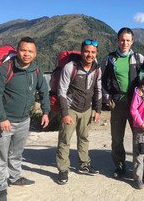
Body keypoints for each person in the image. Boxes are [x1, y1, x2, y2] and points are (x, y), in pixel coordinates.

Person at [0, 37, 50, 201]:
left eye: (30, 51)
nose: (26, 54)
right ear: (17, 50)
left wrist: (45, 112)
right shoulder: (4, 69)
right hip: (3, 121)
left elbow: (44, 91)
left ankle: (15, 178)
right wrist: (1, 118)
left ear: (35, 54)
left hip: (24, 120)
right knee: (0, 156)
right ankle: (0, 188)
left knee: (16, 153)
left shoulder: (36, 71)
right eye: (23, 50)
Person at [102, 27, 144, 178]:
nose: (125, 43)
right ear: (117, 40)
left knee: (138, 138)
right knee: (117, 138)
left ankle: (139, 168)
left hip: (136, 104)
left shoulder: (138, 57)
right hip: (117, 104)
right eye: (122, 39)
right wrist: (106, 96)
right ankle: (120, 166)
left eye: (128, 40)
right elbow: (101, 79)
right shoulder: (109, 59)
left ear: (132, 41)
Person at [56, 39, 102, 185]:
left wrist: (98, 109)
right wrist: (65, 113)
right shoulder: (71, 67)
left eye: (93, 52)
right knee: (65, 140)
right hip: (70, 108)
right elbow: (61, 91)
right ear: (81, 52)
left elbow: (98, 89)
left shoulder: (97, 69)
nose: (90, 54)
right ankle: (63, 170)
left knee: (84, 138)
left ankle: (84, 164)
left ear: (96, 53)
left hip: (87, 109)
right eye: (87, 51)